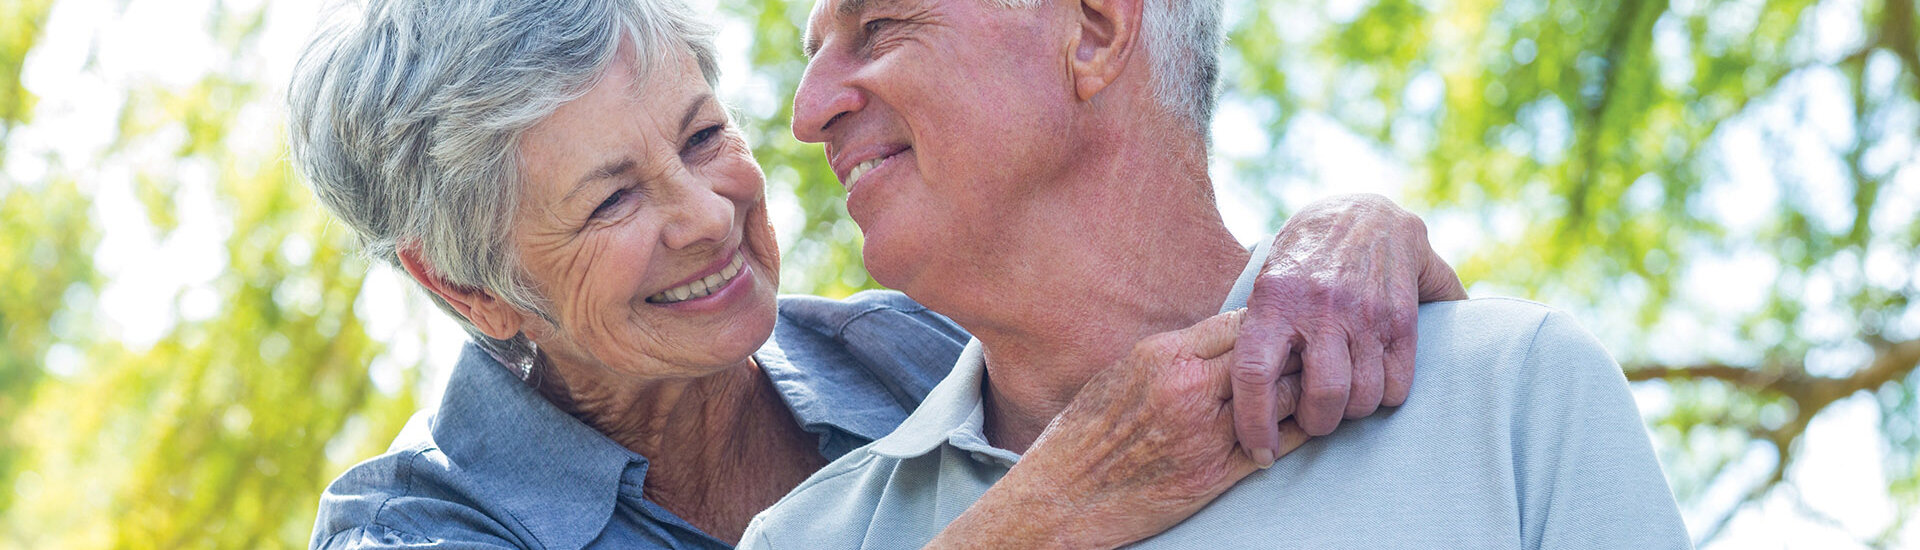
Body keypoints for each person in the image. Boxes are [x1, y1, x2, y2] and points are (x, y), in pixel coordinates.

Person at [286, 0, 1465, 547]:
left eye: (703, 138)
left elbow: (1180, 301)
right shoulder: (418, 531)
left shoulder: (908, 350)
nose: (709, 217)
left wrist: (1348, 236)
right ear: (466, 286)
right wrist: (1055, 513)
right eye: (612, 198)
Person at [738, 0, 1692, 547]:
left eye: (879, 25)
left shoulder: (1508, 397)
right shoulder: (808, 539)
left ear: (1097, 30)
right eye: (813, 54)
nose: (808, 109)